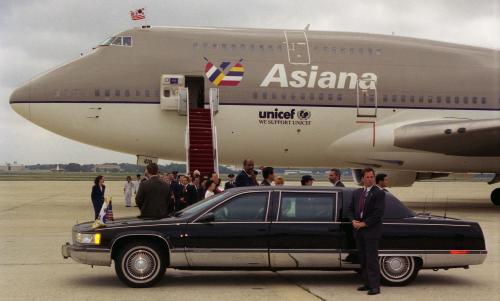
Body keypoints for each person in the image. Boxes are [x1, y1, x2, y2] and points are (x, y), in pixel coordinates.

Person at [348, 167, 386, 296]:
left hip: (371, 231)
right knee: (363, 259)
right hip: (358, 231)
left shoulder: (379, 193)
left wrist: (364, 223)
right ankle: (367, 284)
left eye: (372, 177)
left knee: (371, 260)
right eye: (367, 177)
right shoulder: (357, 193)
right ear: (363, 178)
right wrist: (353, 220)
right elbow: (350, 210)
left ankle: (375, 287)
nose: (370, 179)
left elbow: (378, 213)